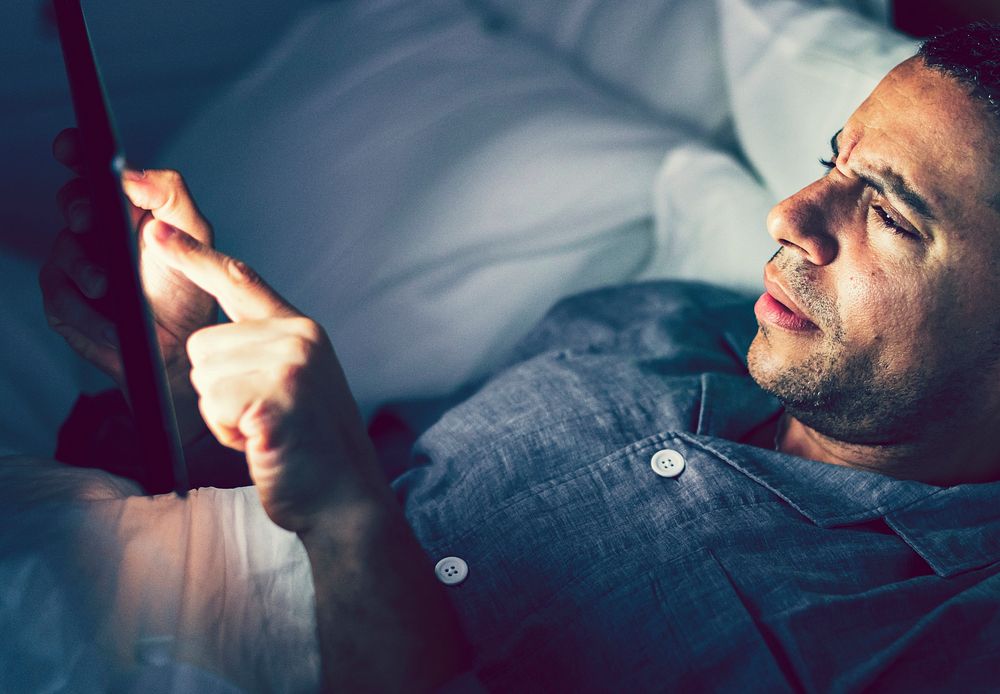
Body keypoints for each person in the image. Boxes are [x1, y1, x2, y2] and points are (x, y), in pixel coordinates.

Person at [40, 23, 1000, 691]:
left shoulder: (945, 640)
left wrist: (350, 522)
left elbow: (346, 512)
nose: (789, 215)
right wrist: (175, 381)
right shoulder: (653, 325)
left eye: (885, 211)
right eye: (833, 162)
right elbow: (294, 505)